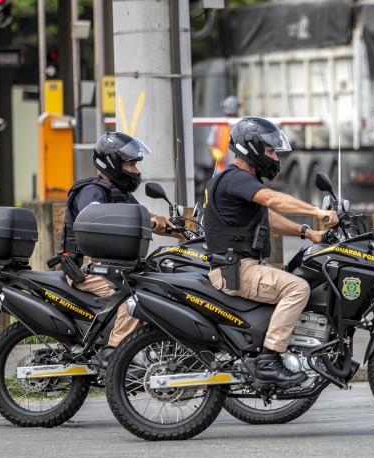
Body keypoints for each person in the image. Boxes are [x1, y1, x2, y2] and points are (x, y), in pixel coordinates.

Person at [203, 117, 338, 388]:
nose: (275, 157)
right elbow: (273, 200)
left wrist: (308, 233)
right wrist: (316, 212)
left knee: (297, 277)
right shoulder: (236, 179)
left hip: (241, 267)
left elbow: (268, 217)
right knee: (297, 289)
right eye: (270, 151)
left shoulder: (237, 182)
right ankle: (269, 359)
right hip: (237, 270)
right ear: (251, 149)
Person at [60, 132, 177, 361]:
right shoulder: (91, 192)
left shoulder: (120, 194)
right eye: (130, 164)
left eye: (135, 164)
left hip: (114, 265)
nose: (135, 171)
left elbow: (146, 217)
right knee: (135, 294)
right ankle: (115, 354)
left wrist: (189, 232)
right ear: (112, 164)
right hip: (86, 267)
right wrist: (147, 221)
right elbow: (95, 220)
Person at [207, 95, 241, 175]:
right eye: (229, 114)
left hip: (239, 168)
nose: (231, 116)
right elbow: (210, 144)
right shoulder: (219, 123)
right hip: (222, 168)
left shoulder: (242, 124)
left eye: (233, 114)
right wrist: (216, 153)